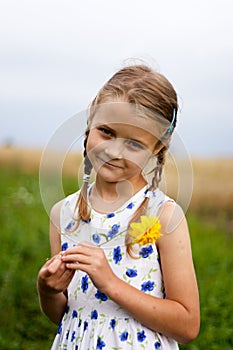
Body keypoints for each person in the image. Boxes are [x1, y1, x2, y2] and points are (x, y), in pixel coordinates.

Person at [37, 64, 200, 349]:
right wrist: (48, 292)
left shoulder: (164, 216)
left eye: (134, 144)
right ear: (90, 121)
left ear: (157, 149)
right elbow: (65, 315)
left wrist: (111, 283)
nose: (113, 151)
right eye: (106, 132)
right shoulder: (63, 215)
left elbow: (187, 326)